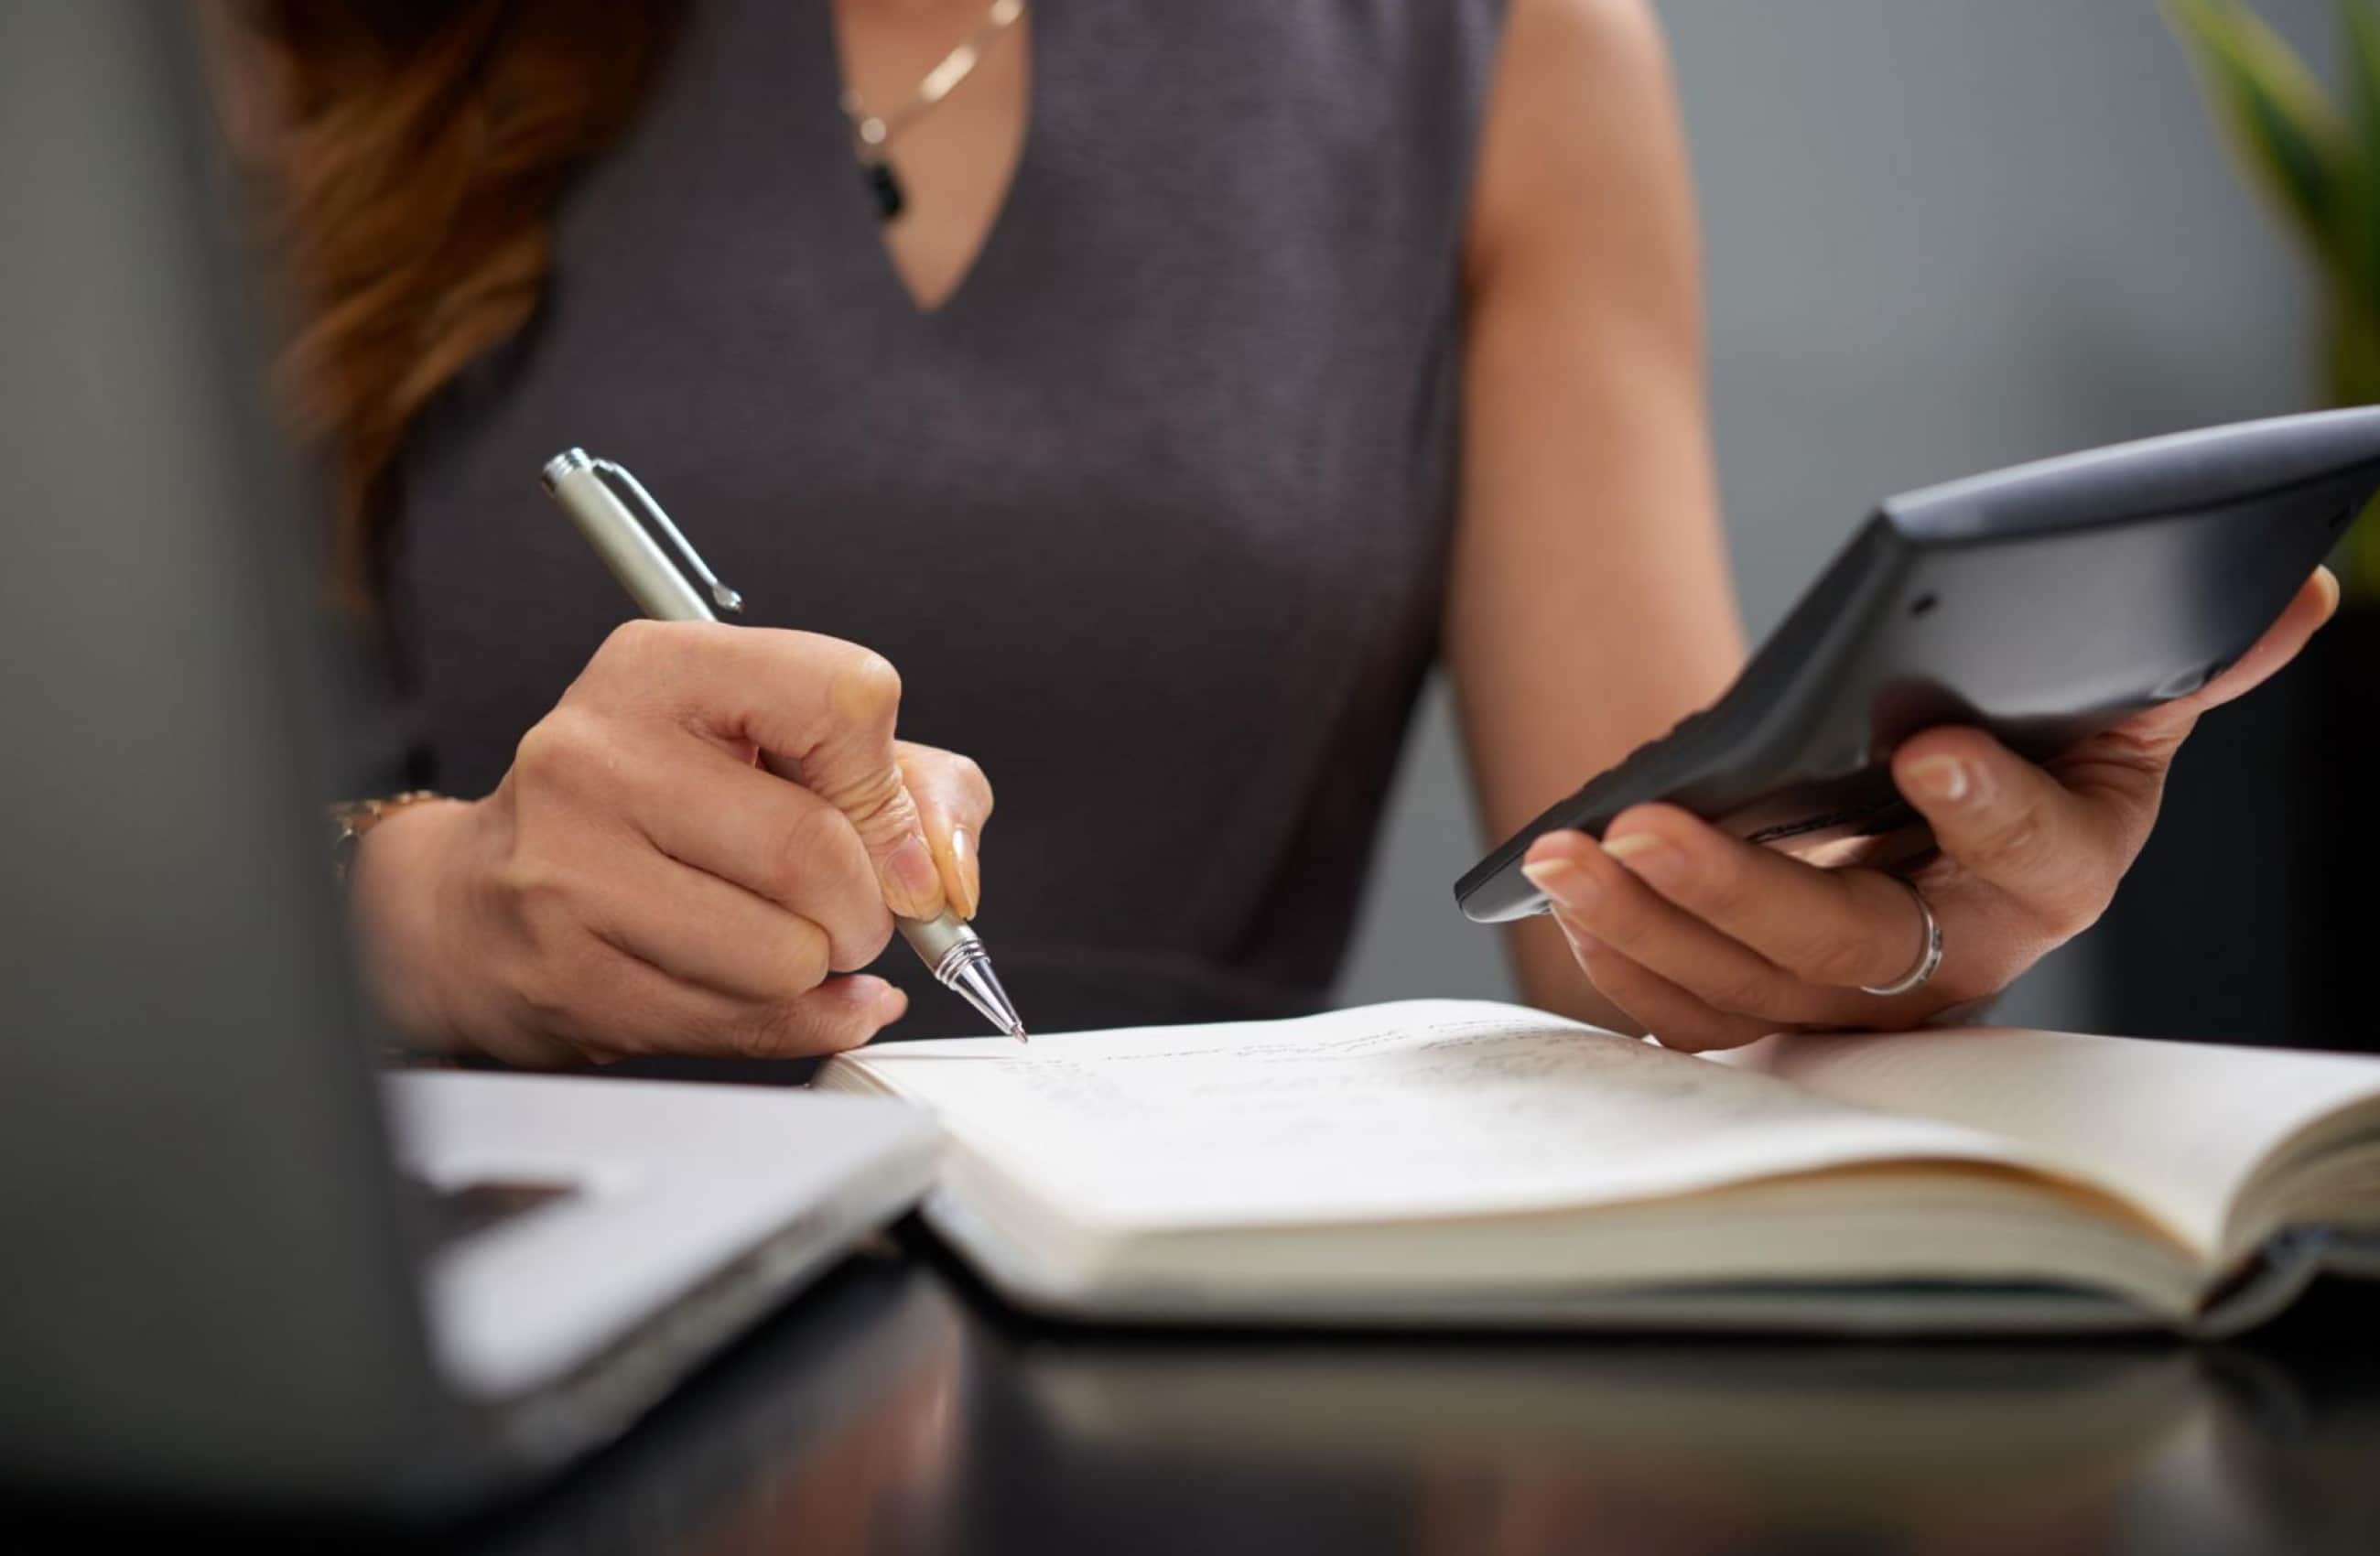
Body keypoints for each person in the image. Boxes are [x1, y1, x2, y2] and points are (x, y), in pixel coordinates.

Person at [214, 0, 2336, 1069]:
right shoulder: (279, 51)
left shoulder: (1495, 45)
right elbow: (95, 882)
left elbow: (1629, 914)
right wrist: (426, 906)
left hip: (1187, 1345)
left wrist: (1911, 900)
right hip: (466, 1293)